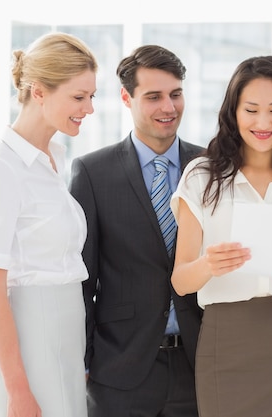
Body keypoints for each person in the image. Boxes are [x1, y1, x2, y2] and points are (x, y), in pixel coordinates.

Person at [170, 55, 272, 417]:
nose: (263, 122)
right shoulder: (202, 176)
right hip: (225, 342)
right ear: (234, 112)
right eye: (251, 109)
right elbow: (181, 281)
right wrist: (209, 264)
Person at [69, 44, 203, 417]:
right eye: (154, 96)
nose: (169, 107)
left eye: (176, 94)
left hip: (199, 367)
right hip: (119, 371)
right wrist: (82, 363)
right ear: (127, 98)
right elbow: (81, 281)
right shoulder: (92, 173)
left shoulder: (210, 167)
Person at [0, 32, 97, 417]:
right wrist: (18, 390)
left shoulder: (52, 159)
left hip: (63, 341)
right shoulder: (0, 169)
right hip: (29, 344)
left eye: (91, 96)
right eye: (79, 97)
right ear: (38, 92)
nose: (89, 108)